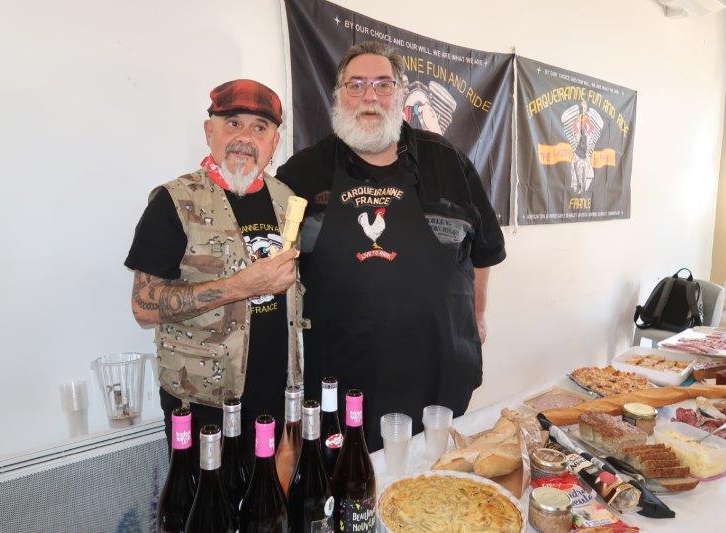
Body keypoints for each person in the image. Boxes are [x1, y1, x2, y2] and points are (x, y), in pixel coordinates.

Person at [275, 41, 506, 451]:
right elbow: (271, 261)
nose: (370, 96)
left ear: (401, 95)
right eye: (356, 84)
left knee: (433, 475)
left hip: (439, 370)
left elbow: (484, 249)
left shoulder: (449, 162)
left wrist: (478, 314)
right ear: (338, 96)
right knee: (349, 477)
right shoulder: (302, 173)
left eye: (383, 84)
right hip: (340, 376)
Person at [125, 79, 303, 463]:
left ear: (274, 142)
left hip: (275, 393)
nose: (245, 138)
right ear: (210, 131)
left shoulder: (286, 200)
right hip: (201, 403)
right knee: (202, 498)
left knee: (269, 496)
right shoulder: (173, 201)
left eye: (260, 127)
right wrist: (241, 285)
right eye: (233, 123)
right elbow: (143, 307)